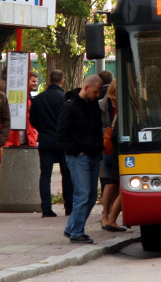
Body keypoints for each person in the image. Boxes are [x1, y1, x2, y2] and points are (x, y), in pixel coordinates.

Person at [57, 75, 104, 244]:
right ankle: (76, 231)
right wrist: (77, 151)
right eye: (96, 91)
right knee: (83, 194)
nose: (97, 95)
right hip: (80, 156)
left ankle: (73, 228)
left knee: (90, 196)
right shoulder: (70, 106)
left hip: (90, 154)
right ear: (86, 87)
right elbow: (61, 132)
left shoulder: (92, 106)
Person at [30, 69, 74, 217]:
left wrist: (43, 129)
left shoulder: (38, 99)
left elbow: (33, 120)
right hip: (63, 142)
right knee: (66, 174)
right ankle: (69, 207)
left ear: (49, 79)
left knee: (45, 175)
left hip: (46, 140)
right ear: (62, 81)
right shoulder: (65, 98)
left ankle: (46, 209)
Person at [98, 79, 125, 231]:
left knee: (112, 182)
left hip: (112, 149)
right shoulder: (103, 105)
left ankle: (108, 217)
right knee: (114, 182)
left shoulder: (122, 104)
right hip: (109, 149)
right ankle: (108, 217)